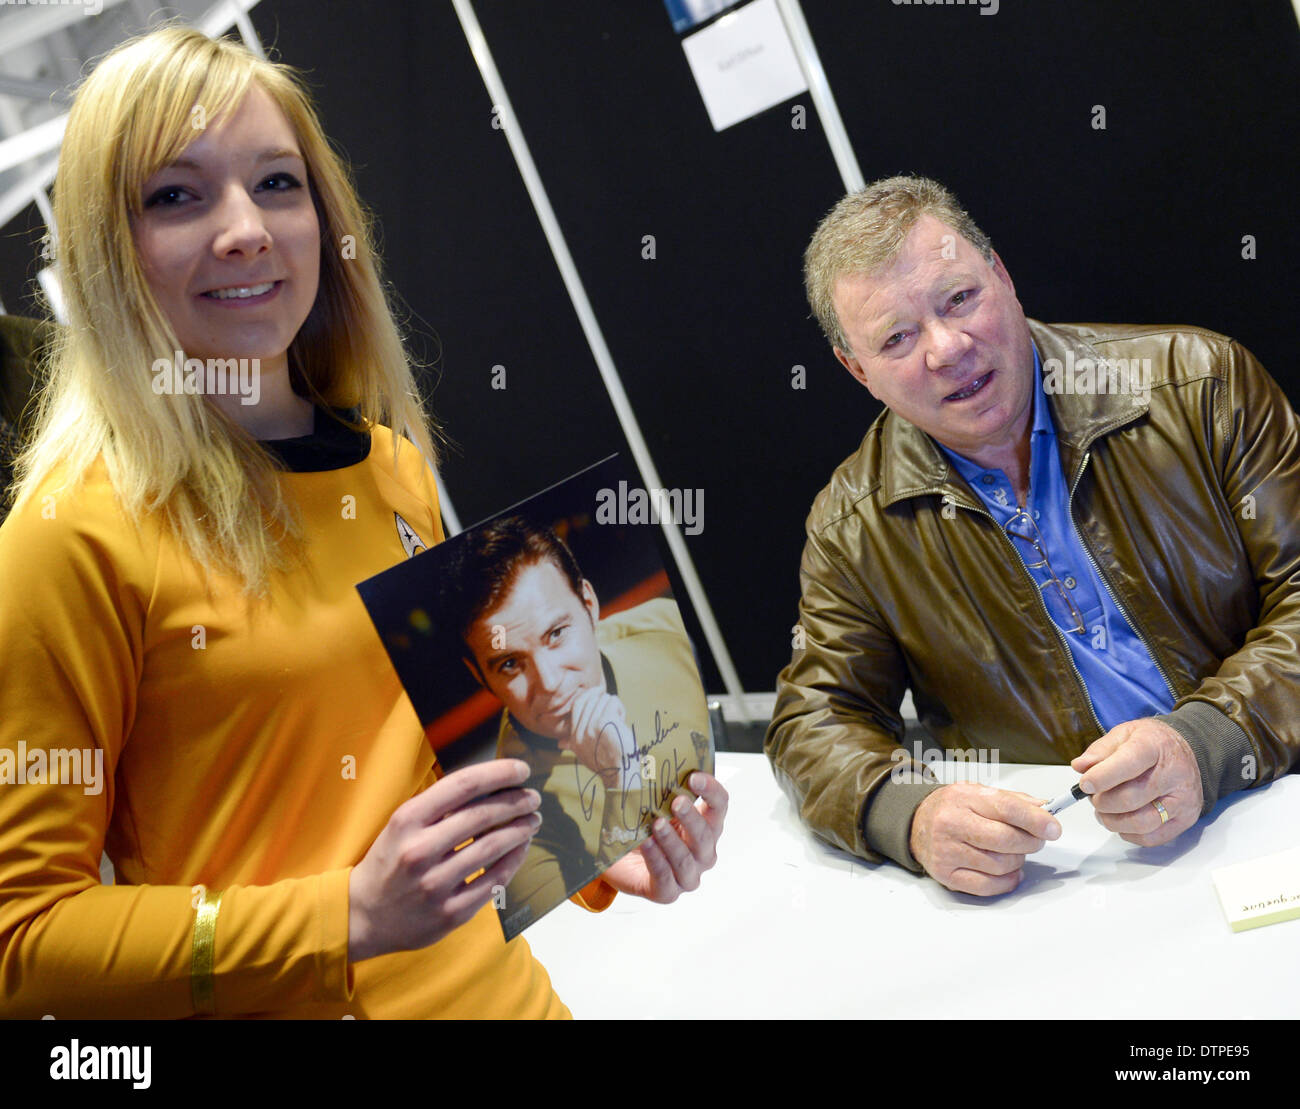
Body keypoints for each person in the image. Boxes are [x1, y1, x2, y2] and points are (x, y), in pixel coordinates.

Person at [0, 25, 724, 1019]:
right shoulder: (67, 539)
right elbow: (26, 939)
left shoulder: (387, 465)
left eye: (277, 183)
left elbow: (436, 767)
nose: (246, 228)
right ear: (103, 248)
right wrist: (345, 914)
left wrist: (594, 846)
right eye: (176, 194)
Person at [766, 175, 1300, 897]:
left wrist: (1205, 742)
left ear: (1003, 276)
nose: (947, 347)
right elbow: (815, 718)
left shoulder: (1201, 384)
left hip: (1268, 795)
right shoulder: (851, 525)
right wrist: (912, 815)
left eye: (959, 299)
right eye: (897, 337)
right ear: (857, 371)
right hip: (1067, 872)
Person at [448, 516, 717, 933]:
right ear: (481, 677)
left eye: (556, 633)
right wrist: (620, 782)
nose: (551, 683)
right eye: (509, 663)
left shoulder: (664, 627)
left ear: (589, 605)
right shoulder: (512, 830)